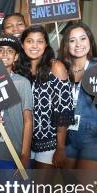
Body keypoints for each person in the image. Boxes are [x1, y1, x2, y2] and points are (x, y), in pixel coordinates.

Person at [59, 23, 97, 171]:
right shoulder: (60, 70)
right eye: (72, 40)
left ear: (90, 41)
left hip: (95, 136)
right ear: (66, 45)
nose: (78, 44)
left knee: (83, 191)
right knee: (69, 189)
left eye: (82, 38)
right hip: (66, 136)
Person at [15, 25, 73, 169]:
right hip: (21, 139)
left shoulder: (56, 67)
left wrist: (60, 148)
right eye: (29, 41)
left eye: (39, 41)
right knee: (21, 188)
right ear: (22, 44)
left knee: (41, 190)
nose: (34, 45)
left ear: (46, 44)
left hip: (48, 141)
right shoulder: (17, 68)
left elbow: (63, 111)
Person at [0, 35, 34, 170]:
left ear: (16, 57)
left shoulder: (22, 83)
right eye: (0, 50)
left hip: (16, 153)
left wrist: (25, 153)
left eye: (10, 51)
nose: (5, 54)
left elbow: (28, 120)